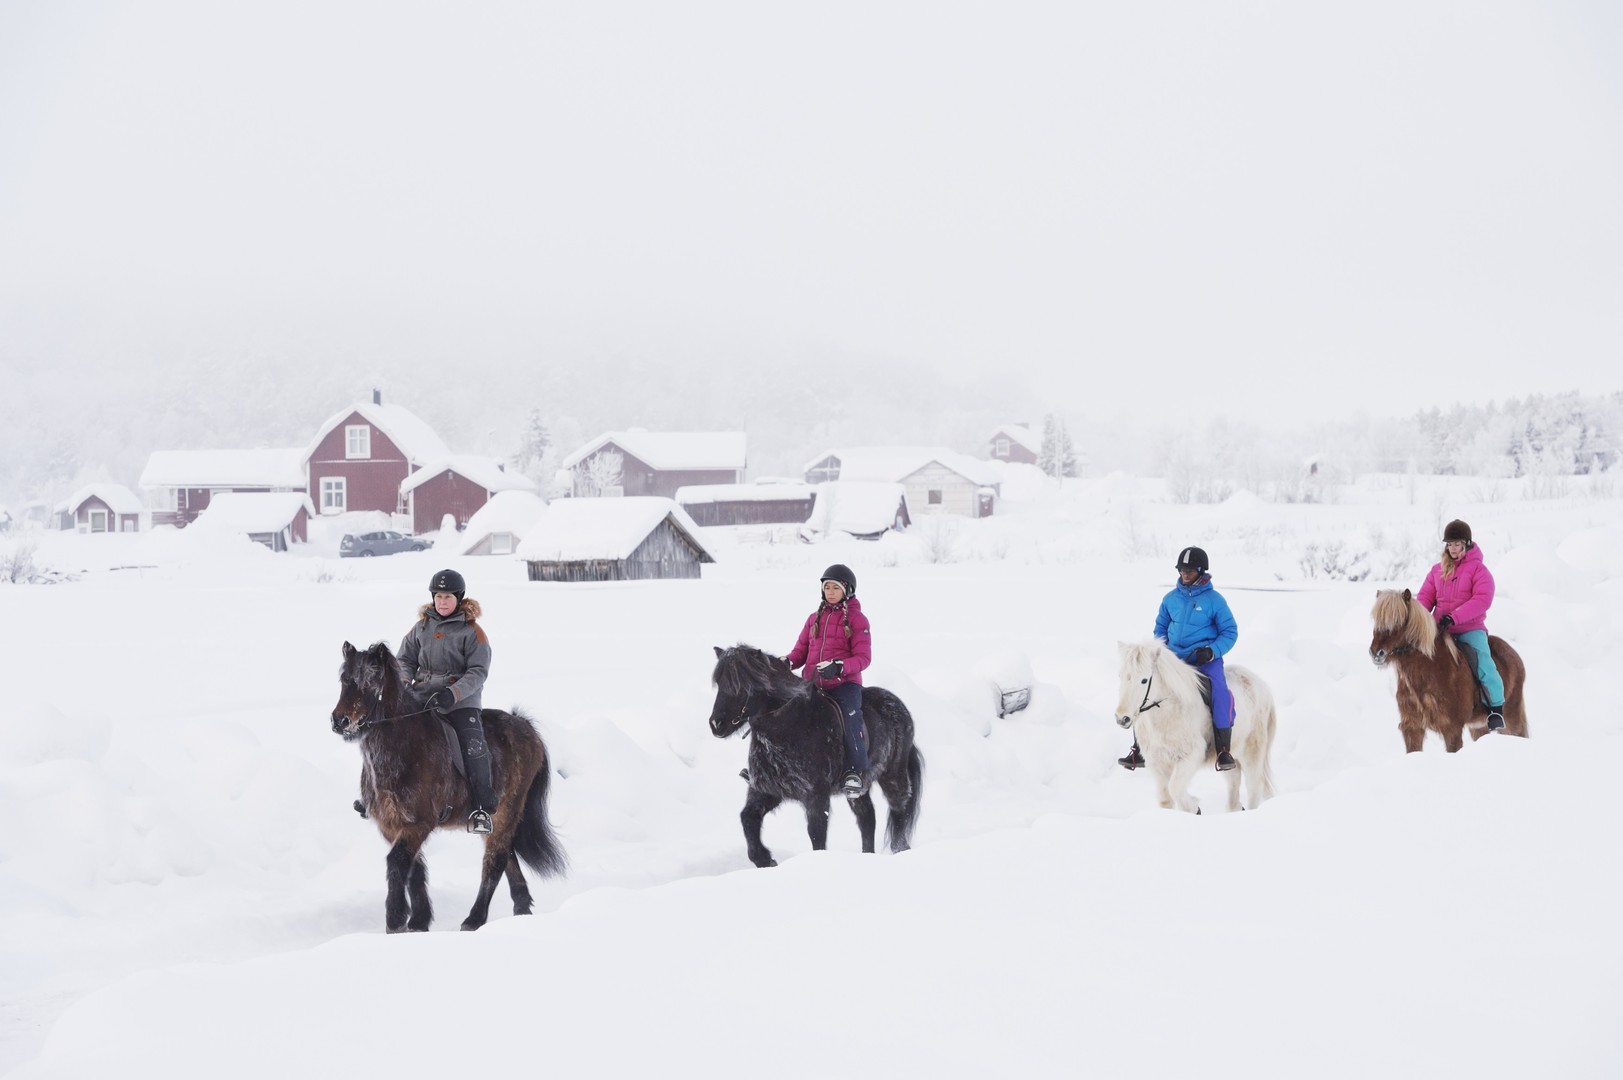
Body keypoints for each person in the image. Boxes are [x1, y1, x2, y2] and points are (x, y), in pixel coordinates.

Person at [1119, 545, 1240, 772]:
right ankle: (1139, 749)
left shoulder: (1215, 600)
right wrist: (1161, 652)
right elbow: (1160, 629)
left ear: (1201, 572)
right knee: (1145, 687)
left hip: (1205, 659)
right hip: (1174, 659)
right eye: (1182, 570)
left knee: (1220, 692)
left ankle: (1223, 750)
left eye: (1190, 571)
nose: (1184, 575)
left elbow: (1230, 632)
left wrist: (1212, 651)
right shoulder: (1170, 599)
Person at [399, 568, 498, 833]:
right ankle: (379, 795)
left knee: (472, 745)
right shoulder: (421, 627)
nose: (442, 602)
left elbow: (478, 672)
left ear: (459, 598)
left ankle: (481, 807)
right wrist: (405, 681)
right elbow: (405, 659)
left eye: (448, 597)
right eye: (439, 596)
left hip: (460, 700)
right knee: (391, 732)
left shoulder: (473, 632)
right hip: (422, 695)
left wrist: (452, 693)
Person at [785, 563, 872, 797]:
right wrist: (786, 663)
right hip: (812, 683)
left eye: (835, 587)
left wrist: (840, 667)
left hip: (845, 684)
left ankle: (855, 771)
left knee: (850, 717)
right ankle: (776, 766)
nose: (830, 592)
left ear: (848, 590)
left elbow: (864, 658)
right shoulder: (814, 618)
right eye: (827, 588)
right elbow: (799, 653)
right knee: (784, 711)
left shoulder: (858, 620)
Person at [1416, 519, 1505, 731]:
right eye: (1449, 544)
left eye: (1457, 544)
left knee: (1483, 663)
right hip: (1440, 630)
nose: (1453, 548)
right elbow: (1425, 598)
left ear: (1466, 544)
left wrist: (1454, 617)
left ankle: (1496, 708)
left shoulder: (1479, 570)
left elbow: (1482, 599)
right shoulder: (1437, 570)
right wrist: (1419, 618)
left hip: (1469, 629)